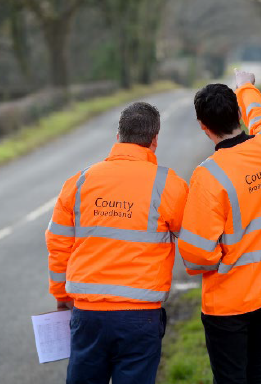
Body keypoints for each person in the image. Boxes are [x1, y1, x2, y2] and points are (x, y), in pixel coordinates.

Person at [177, 70, 261, 384]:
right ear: (238, 113)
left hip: (229, 305)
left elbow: (197, 255)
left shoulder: (208, 176)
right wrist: (246, 86)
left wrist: (220, 259)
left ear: (203, 127)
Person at [45, 102, 188, 384]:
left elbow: (57, 242)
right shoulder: (168, 184)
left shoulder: (80, 181)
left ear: (118, 136)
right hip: (141, 317)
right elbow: (197, 238)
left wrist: (61, 296)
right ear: (155, 140)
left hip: (88, 315)